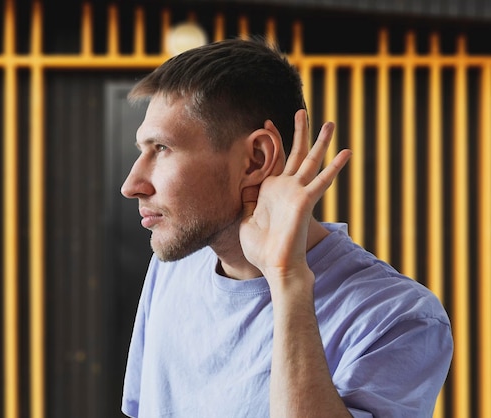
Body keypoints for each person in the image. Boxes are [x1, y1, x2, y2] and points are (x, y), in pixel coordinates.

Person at [120, 38, 452, 418]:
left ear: (255, 159)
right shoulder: (171, 267)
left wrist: (287, 280)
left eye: (161, 148)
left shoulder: (397, 318)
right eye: (141, 150)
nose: (132, 185)